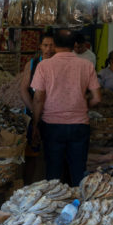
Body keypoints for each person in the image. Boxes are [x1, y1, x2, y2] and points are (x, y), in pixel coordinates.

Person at [31, 29, 101, 185]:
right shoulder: (87, 65)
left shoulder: (44, 66)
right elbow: (97, 98)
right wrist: (83, 105)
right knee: (78, 172)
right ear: (74, 44)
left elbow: (38, 98)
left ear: (55, 45)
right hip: (79, 125)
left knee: (53, 173)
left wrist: (35, 124)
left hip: (52, 125)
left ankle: (55, 206)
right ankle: (80, 206)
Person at [19, 33, 57, 112]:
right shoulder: (32, 64)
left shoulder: (60, 64)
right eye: (45, 45)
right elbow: (23, 89)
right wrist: (34, 110)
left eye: (51, 45)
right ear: (40, 46)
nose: (48, 49)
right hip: (33, 109)